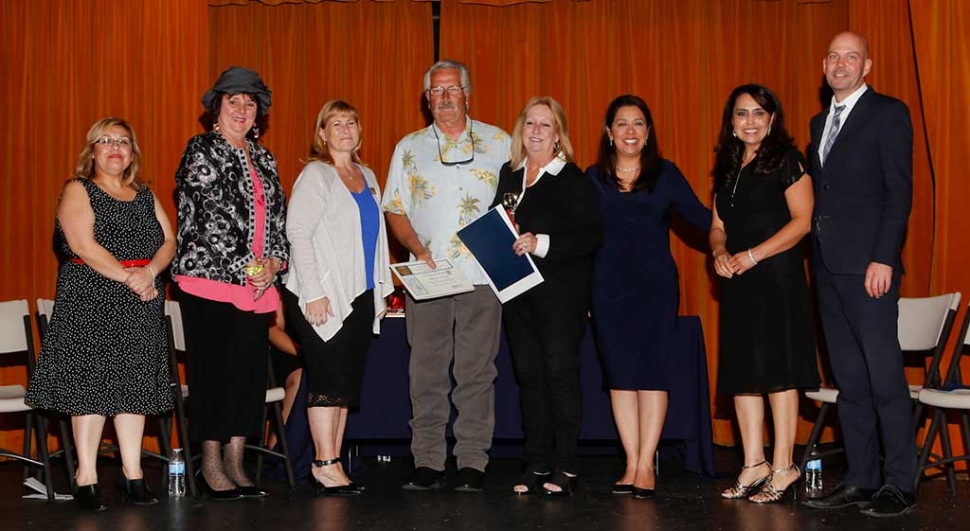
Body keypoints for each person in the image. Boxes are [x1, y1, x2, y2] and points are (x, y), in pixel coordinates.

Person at [25, 118, 175, 511]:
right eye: (106, 140)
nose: (115, 147)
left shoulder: (144, 194)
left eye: (123, 142)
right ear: (92, 150)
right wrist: (132, 278)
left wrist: (151, 273)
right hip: (91, 297)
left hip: (141, 298)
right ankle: (86, 476)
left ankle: (133, 474)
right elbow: (82, 245)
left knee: (134, 386)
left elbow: (170, 240)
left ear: (132, 153)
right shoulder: (78, 189)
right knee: (89, 387)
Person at [382, 60, 511, 492]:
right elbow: (395, 208)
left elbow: (522, 201)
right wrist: (418, 250)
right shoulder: (409, 147)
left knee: (477, 371)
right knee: (426, 370)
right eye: (436, 92)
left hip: (483, 274)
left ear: (467, 94)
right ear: (427, 99)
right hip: (428, 273)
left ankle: (473, 461)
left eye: (452, 89)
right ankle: (428, 462)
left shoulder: (500, 142)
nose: (444, 97)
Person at [802, 32, 916, 518]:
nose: (841, 64)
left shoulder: (888, 113)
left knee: (884, 375)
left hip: (871, 268)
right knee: (850, 380)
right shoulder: (817, 121)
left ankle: (900, 484)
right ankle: (862, 478)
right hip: (827, 268)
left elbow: (899, 192)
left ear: (867, 66)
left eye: (852, 57)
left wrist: (884, 257)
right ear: (824, 64)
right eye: (834, 56)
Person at [172, 66, 288, 500]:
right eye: (233, 100)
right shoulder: (201, 150)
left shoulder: (265, 157)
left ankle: (238, 462)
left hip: (257, 286)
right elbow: (210, 215)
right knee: (214, 374)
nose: (242, 108)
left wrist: (275, 262)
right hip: (209, 281)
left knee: (249, 376)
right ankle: (212, 466)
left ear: (259, 112)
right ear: (215, 109)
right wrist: (248, 265)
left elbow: (278, 219)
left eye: (250, 102)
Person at [587, 95, 711, 499]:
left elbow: (703, 219)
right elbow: (578, 235)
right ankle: (630, 461)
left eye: (638, 123)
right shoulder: (592, 178)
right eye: (621, 124)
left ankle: (646, 465)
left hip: (655, 289)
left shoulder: (666, 174)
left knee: (653, 374)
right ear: (609, 132)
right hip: (607, 290)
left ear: (648, 132)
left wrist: (744, 221)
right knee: (620, 377)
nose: (630, 131)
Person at [710, 84, 819, 503]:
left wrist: (752, 256)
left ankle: (783, 466)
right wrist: (720, 252)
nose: (750, 121)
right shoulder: (728, 165)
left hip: (777, 279)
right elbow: (717, 226)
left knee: (778, 372)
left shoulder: (788, 160)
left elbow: (803, 220)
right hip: (738, 282)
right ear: (731, 122)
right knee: (743, 374)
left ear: (772, 119)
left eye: (759, 113)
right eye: (741, 113)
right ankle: (752, 463)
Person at [490, 96, 602, 497]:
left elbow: (590, 236)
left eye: (545, 125)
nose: (536, 132)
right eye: (530, 124)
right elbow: (499, 223)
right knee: (529, 378)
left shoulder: (573, 178)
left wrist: (541, 243)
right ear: (521, 130)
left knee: (560, 378)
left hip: (560, 296)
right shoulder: (509, 174)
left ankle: (567, 465)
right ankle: (537, 461)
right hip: (518, 295)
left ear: (559, 135)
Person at [283, 100, 393, 496]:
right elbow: (297, 232)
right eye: (336, 123)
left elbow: (374, 239)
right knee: (326, 380)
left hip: (359, 294)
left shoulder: (368, 176)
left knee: (344, 384)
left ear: (360, 131)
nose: (345, 129)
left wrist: (380, 290)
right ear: (322, 133)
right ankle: (324, 462)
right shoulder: (317, 174)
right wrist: (313, 292)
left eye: (351, 122)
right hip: (323, 295)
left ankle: (332, 460)